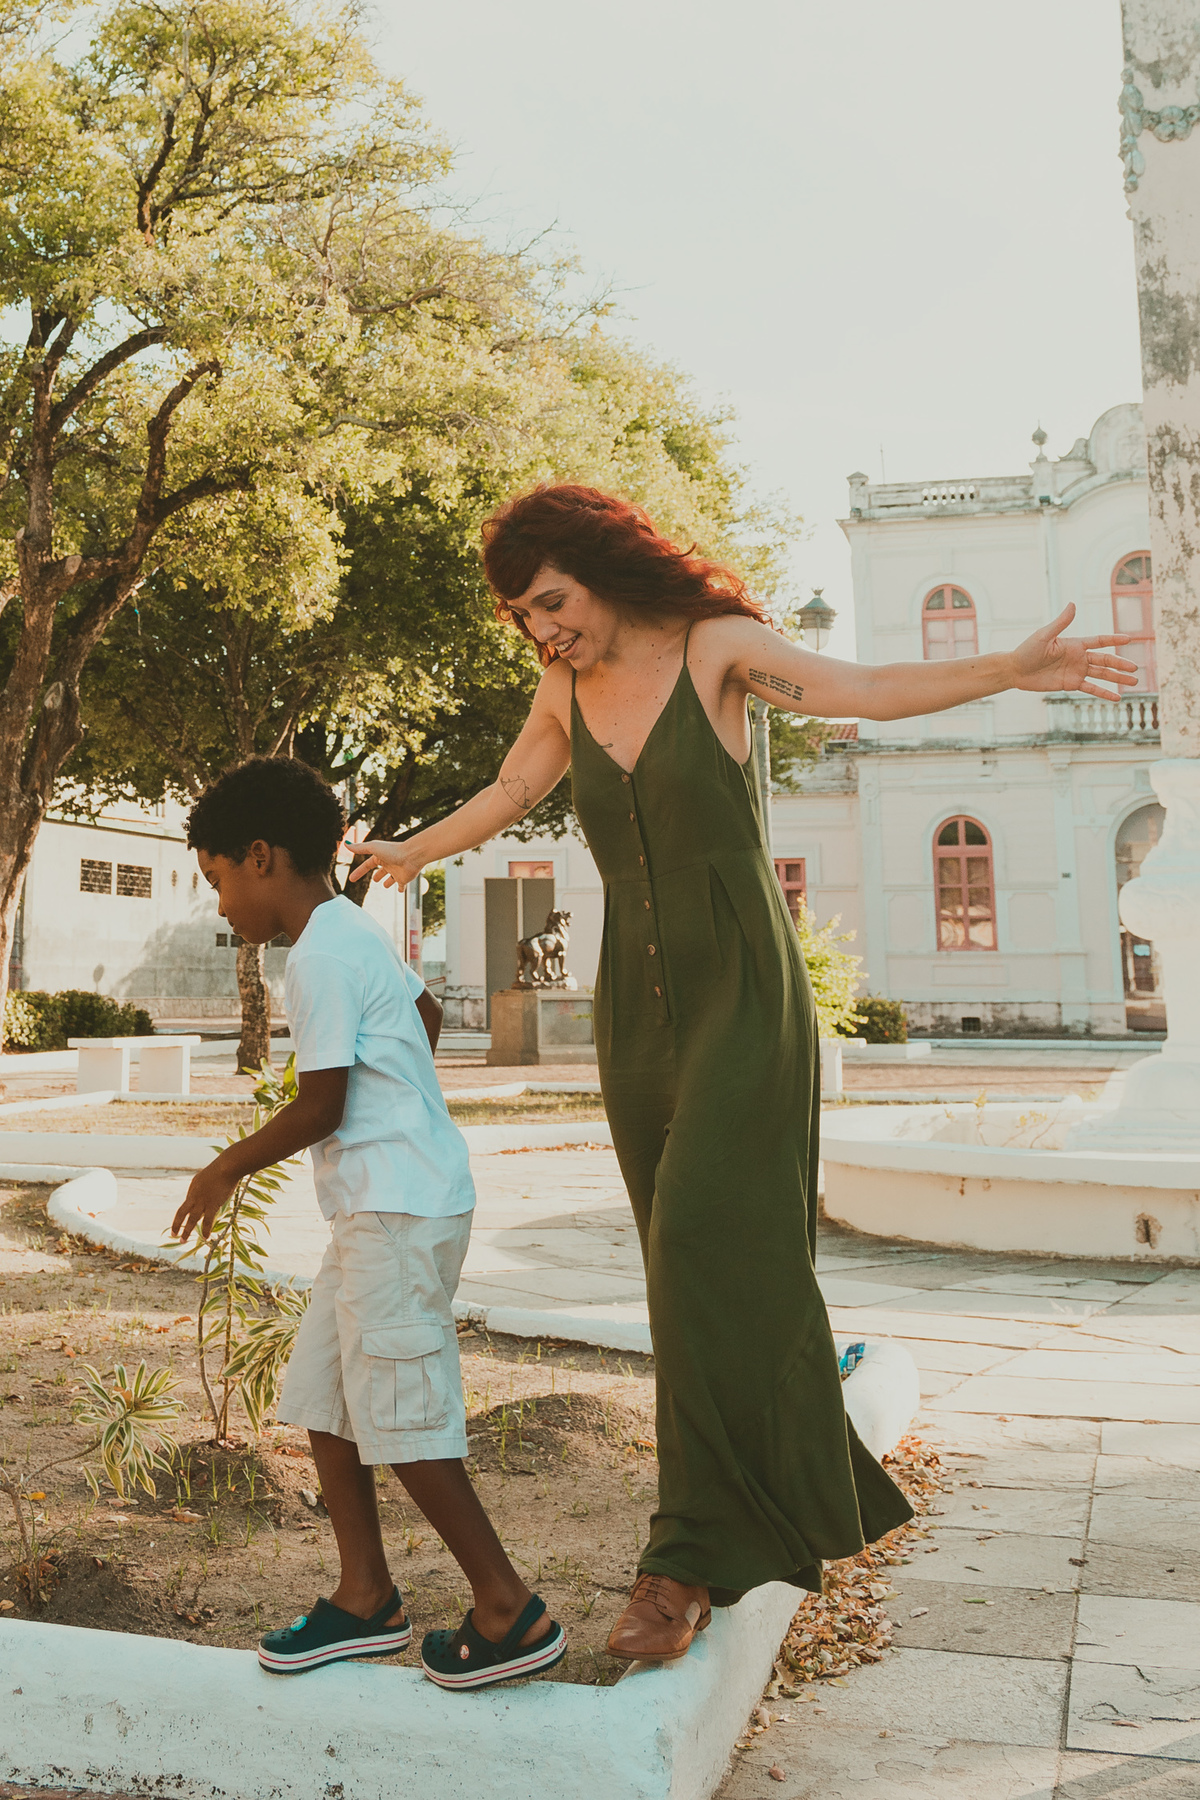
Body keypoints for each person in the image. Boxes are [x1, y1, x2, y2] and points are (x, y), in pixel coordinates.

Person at [350, 484, 1144, 1663]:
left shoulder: (717, 651)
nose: (543, 630)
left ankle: (682, 1563)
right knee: (679, 1270)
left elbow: (866, 692)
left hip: (742, 992)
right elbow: (516, 789)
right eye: (523, 615)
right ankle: (761, 1490)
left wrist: (1005, 670)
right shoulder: (562, 689)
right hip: (639, 1005)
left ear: (605, 570)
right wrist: (406, 850)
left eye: (553, 602)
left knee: (701, 1239)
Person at [174, 756, 566, 1688]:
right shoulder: (349, 929)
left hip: (397, 1210)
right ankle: (365, 1599)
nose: (222, 906)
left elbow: (323, 1104)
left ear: (261, 858)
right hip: (386, 1207)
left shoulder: (316, 955)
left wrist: (224, 1166)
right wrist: (405, 1098)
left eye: (219, 880)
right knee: (325, 1396)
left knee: (401, 1417)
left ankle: (510, 1612)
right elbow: (421, 1014)